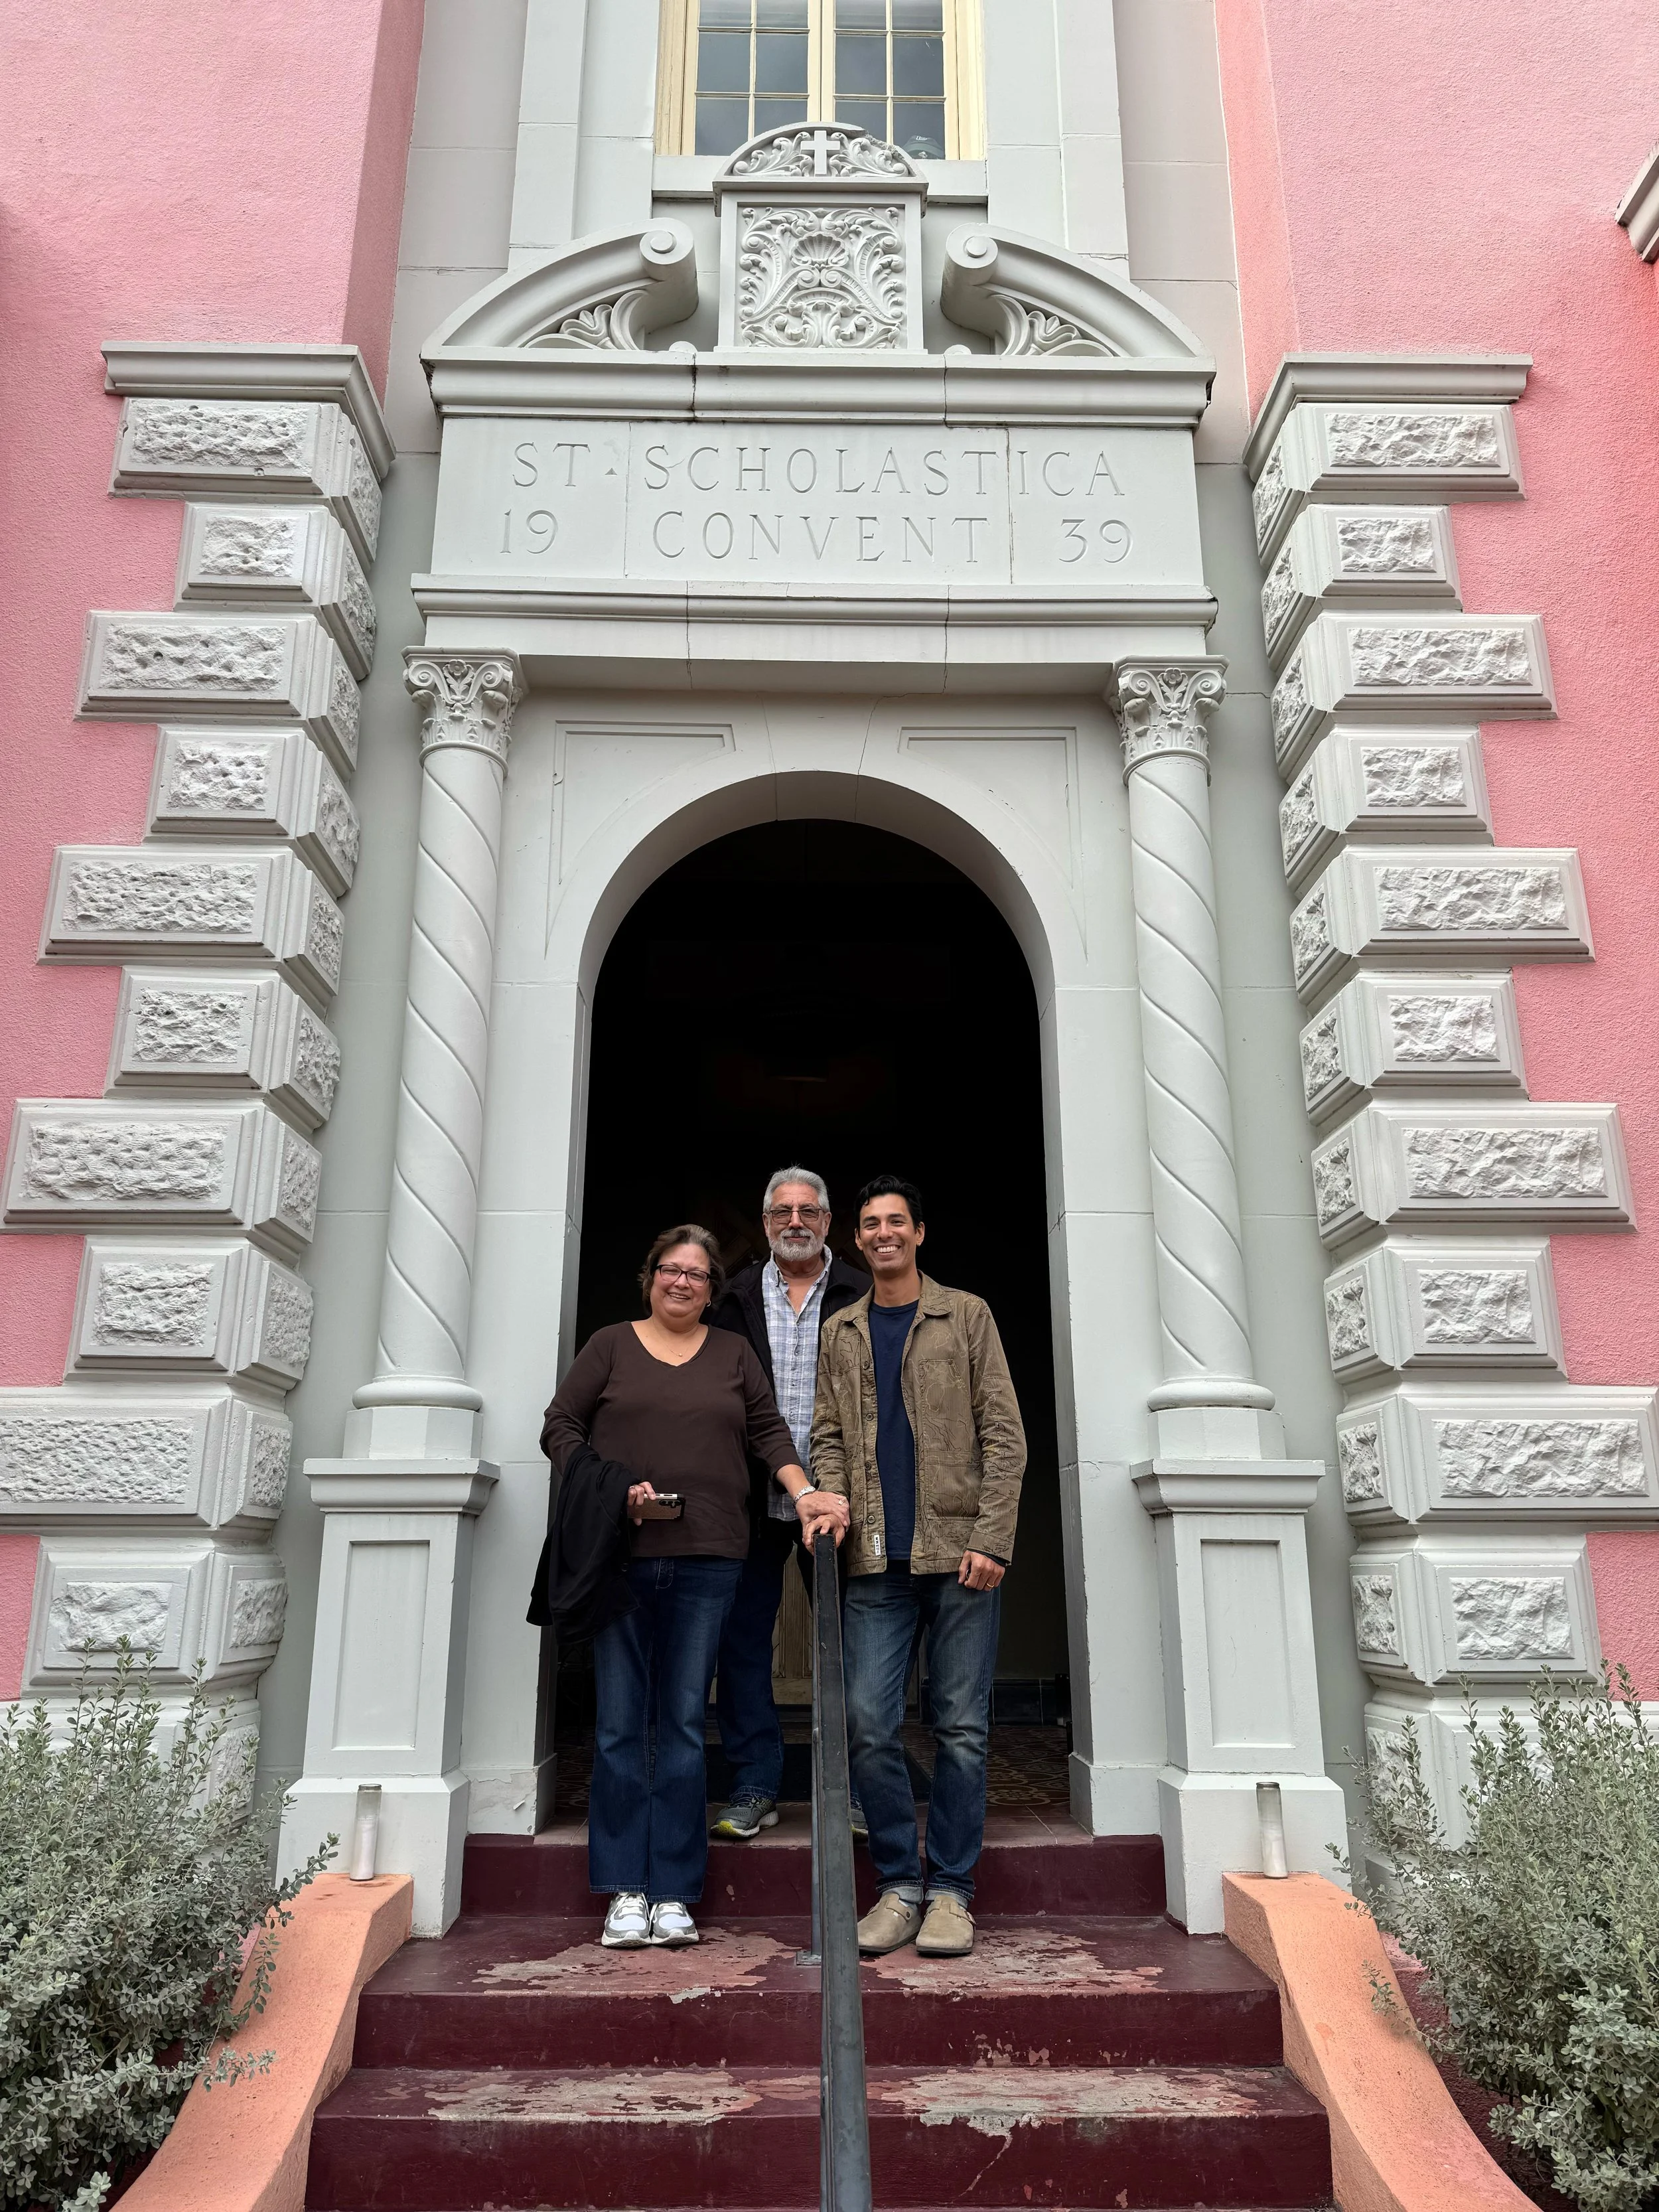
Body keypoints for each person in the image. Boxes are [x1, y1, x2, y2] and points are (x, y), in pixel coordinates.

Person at [540, 1223, 841, 1949]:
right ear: (649, 1277)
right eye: (669, 1270)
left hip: (711, 1558)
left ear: (713, 1289)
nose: (682, 1282)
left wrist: (805, 1495)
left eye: (697, 1274)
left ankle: (673, 1891)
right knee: (619, 1725)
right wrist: (612, 1492)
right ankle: (624, 1891)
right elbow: (560, 1426)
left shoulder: (734, 1353)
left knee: (679, 1724)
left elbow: (770, 1433)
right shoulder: (610, 1345)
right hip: (622, 1557)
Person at [810, 1177, 1026, 1960]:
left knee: (961, 1729)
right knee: (869, 1724)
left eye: (895, 1221)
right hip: (873, 1560)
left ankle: (953, 1894)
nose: (883, 1233)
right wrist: (829, 1499)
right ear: (857, 1240)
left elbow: (1004, 1434)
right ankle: (899, 1885)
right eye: (870, 1224)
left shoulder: (965, 1315)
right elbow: (826, 1433)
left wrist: (992, 1539)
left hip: (961, 1555)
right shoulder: (842, 1330)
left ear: (919, 1233)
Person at [705, 1166, 865, 1840]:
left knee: (855, 1648)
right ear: (766, 1221)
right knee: (742, 1646)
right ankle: (754, 1785)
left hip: (842, 1500)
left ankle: (856, 1789)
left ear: (828, 1221)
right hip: (749, 1499)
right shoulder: (731, 1298)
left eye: (808, 1210)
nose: (794, 1221)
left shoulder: (864, 1291)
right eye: (781, 1212)